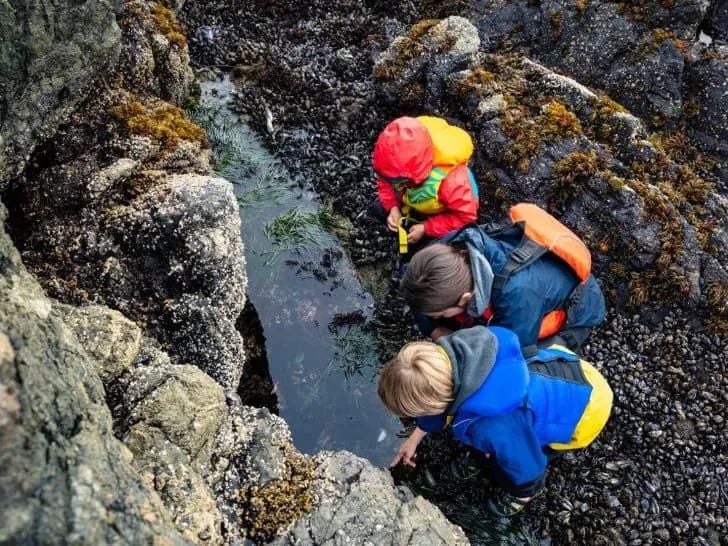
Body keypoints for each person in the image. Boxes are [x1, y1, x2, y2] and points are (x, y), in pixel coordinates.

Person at [378, 325, 613, 516]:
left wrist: (524, 488)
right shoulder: (461, 352)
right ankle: (484, 456)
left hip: (585, 412)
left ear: (435, 405)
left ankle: (524, 494)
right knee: (496, 440)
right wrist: (416, 436)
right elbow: (437, 406)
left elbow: (528, 465)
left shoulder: (493, 424)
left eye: (417, 412)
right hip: (568, 369)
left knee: (510, 461)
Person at [399, 218, 606, 353]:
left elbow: (512, 357)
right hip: (529, 282)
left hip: (579, 307)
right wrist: (434, 330)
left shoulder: (517, 294)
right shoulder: (443, 250)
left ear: (465, 298)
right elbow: (416, 293)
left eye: (440, 314)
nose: (435, 317)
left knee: (533, 361)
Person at [371, 116, 479, 252]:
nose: (394, 184)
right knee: (377, 209)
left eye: (399, 182)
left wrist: (426, 228)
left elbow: (466, 218)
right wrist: (392, 207)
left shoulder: (454, 181)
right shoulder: (390, 161)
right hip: (413, 202)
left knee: (431, 250)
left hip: (441, 214)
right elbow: (385, 180)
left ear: (416, 176)